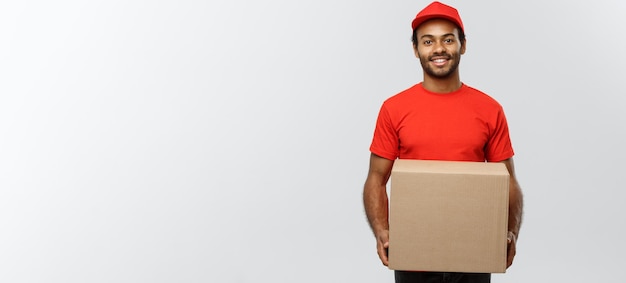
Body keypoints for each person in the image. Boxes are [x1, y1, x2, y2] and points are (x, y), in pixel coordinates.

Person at [362, 1, 524, 282]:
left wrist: (510, 231)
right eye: (428, 41)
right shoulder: (394, 109)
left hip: (474, 254)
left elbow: (507, 180)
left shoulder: (489, 109)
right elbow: (376, 179)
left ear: (463, 45)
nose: (438, 48)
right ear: (416, 50)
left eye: (448, 39)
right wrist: (382, 230)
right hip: (414, 256)